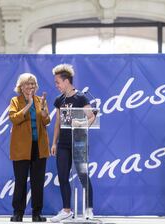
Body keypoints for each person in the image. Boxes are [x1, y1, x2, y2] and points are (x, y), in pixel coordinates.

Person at [50, 64, 96, 222]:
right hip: (62, 144)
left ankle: (89, 210)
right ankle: (66, 210)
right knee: (63, 176)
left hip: (79, 143)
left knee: (83, 176)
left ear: (67, 81)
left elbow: (92, 116)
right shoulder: (59, 100)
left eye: (58, 82)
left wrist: (81, 125)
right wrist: (54, 143)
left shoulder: (81, 97)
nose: (56, 85)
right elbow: (57, 123)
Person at [8, 73, 50, 222]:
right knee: (20, 181)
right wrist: (28, 105)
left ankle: (36, 213)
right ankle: (18, 213)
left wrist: (44, 111)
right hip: (21, 148)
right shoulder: (15, 100)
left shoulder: (41, 101)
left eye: (33, 84)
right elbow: (14, 118)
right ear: (21, 86)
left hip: (39, 147)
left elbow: (46, 121)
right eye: (27, 84)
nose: (30, 86)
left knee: (37, 182)